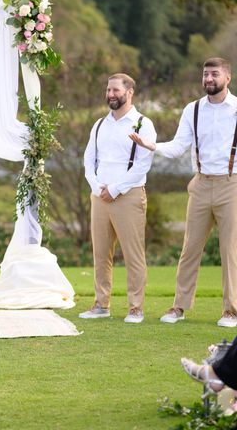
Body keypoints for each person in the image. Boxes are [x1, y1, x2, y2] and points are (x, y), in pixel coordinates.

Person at [131, 57, 237, 327]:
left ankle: (231, 311)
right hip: (200, 183)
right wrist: (151, 145)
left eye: (214, 74)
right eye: (205, 74)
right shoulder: (194, 109)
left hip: (231, 184)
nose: (209, 79)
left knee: (230, 250)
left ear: (227, 77)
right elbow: (179, 145)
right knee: (190, 248)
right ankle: (179, 306)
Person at [80, 73, 156, 323]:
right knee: (101, 254)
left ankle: (136, 308)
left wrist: (114, 189)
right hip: (99, 196)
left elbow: (142, 166)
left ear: (129, 92)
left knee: (133, 254)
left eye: (115, 90)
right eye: (108, 90)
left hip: (128, 196)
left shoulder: (143, 124)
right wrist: (96, 186)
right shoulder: (100, 124)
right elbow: (89, 159)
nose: (110, 95)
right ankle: (101, 304)